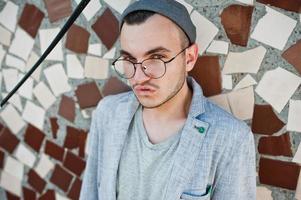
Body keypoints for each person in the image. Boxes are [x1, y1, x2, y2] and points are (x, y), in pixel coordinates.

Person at [80, 0, 256, 199]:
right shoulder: (107, 113)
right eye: (129, 60)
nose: (138, 77)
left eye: (156, 58)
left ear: (189, 58)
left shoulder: (231, 139)